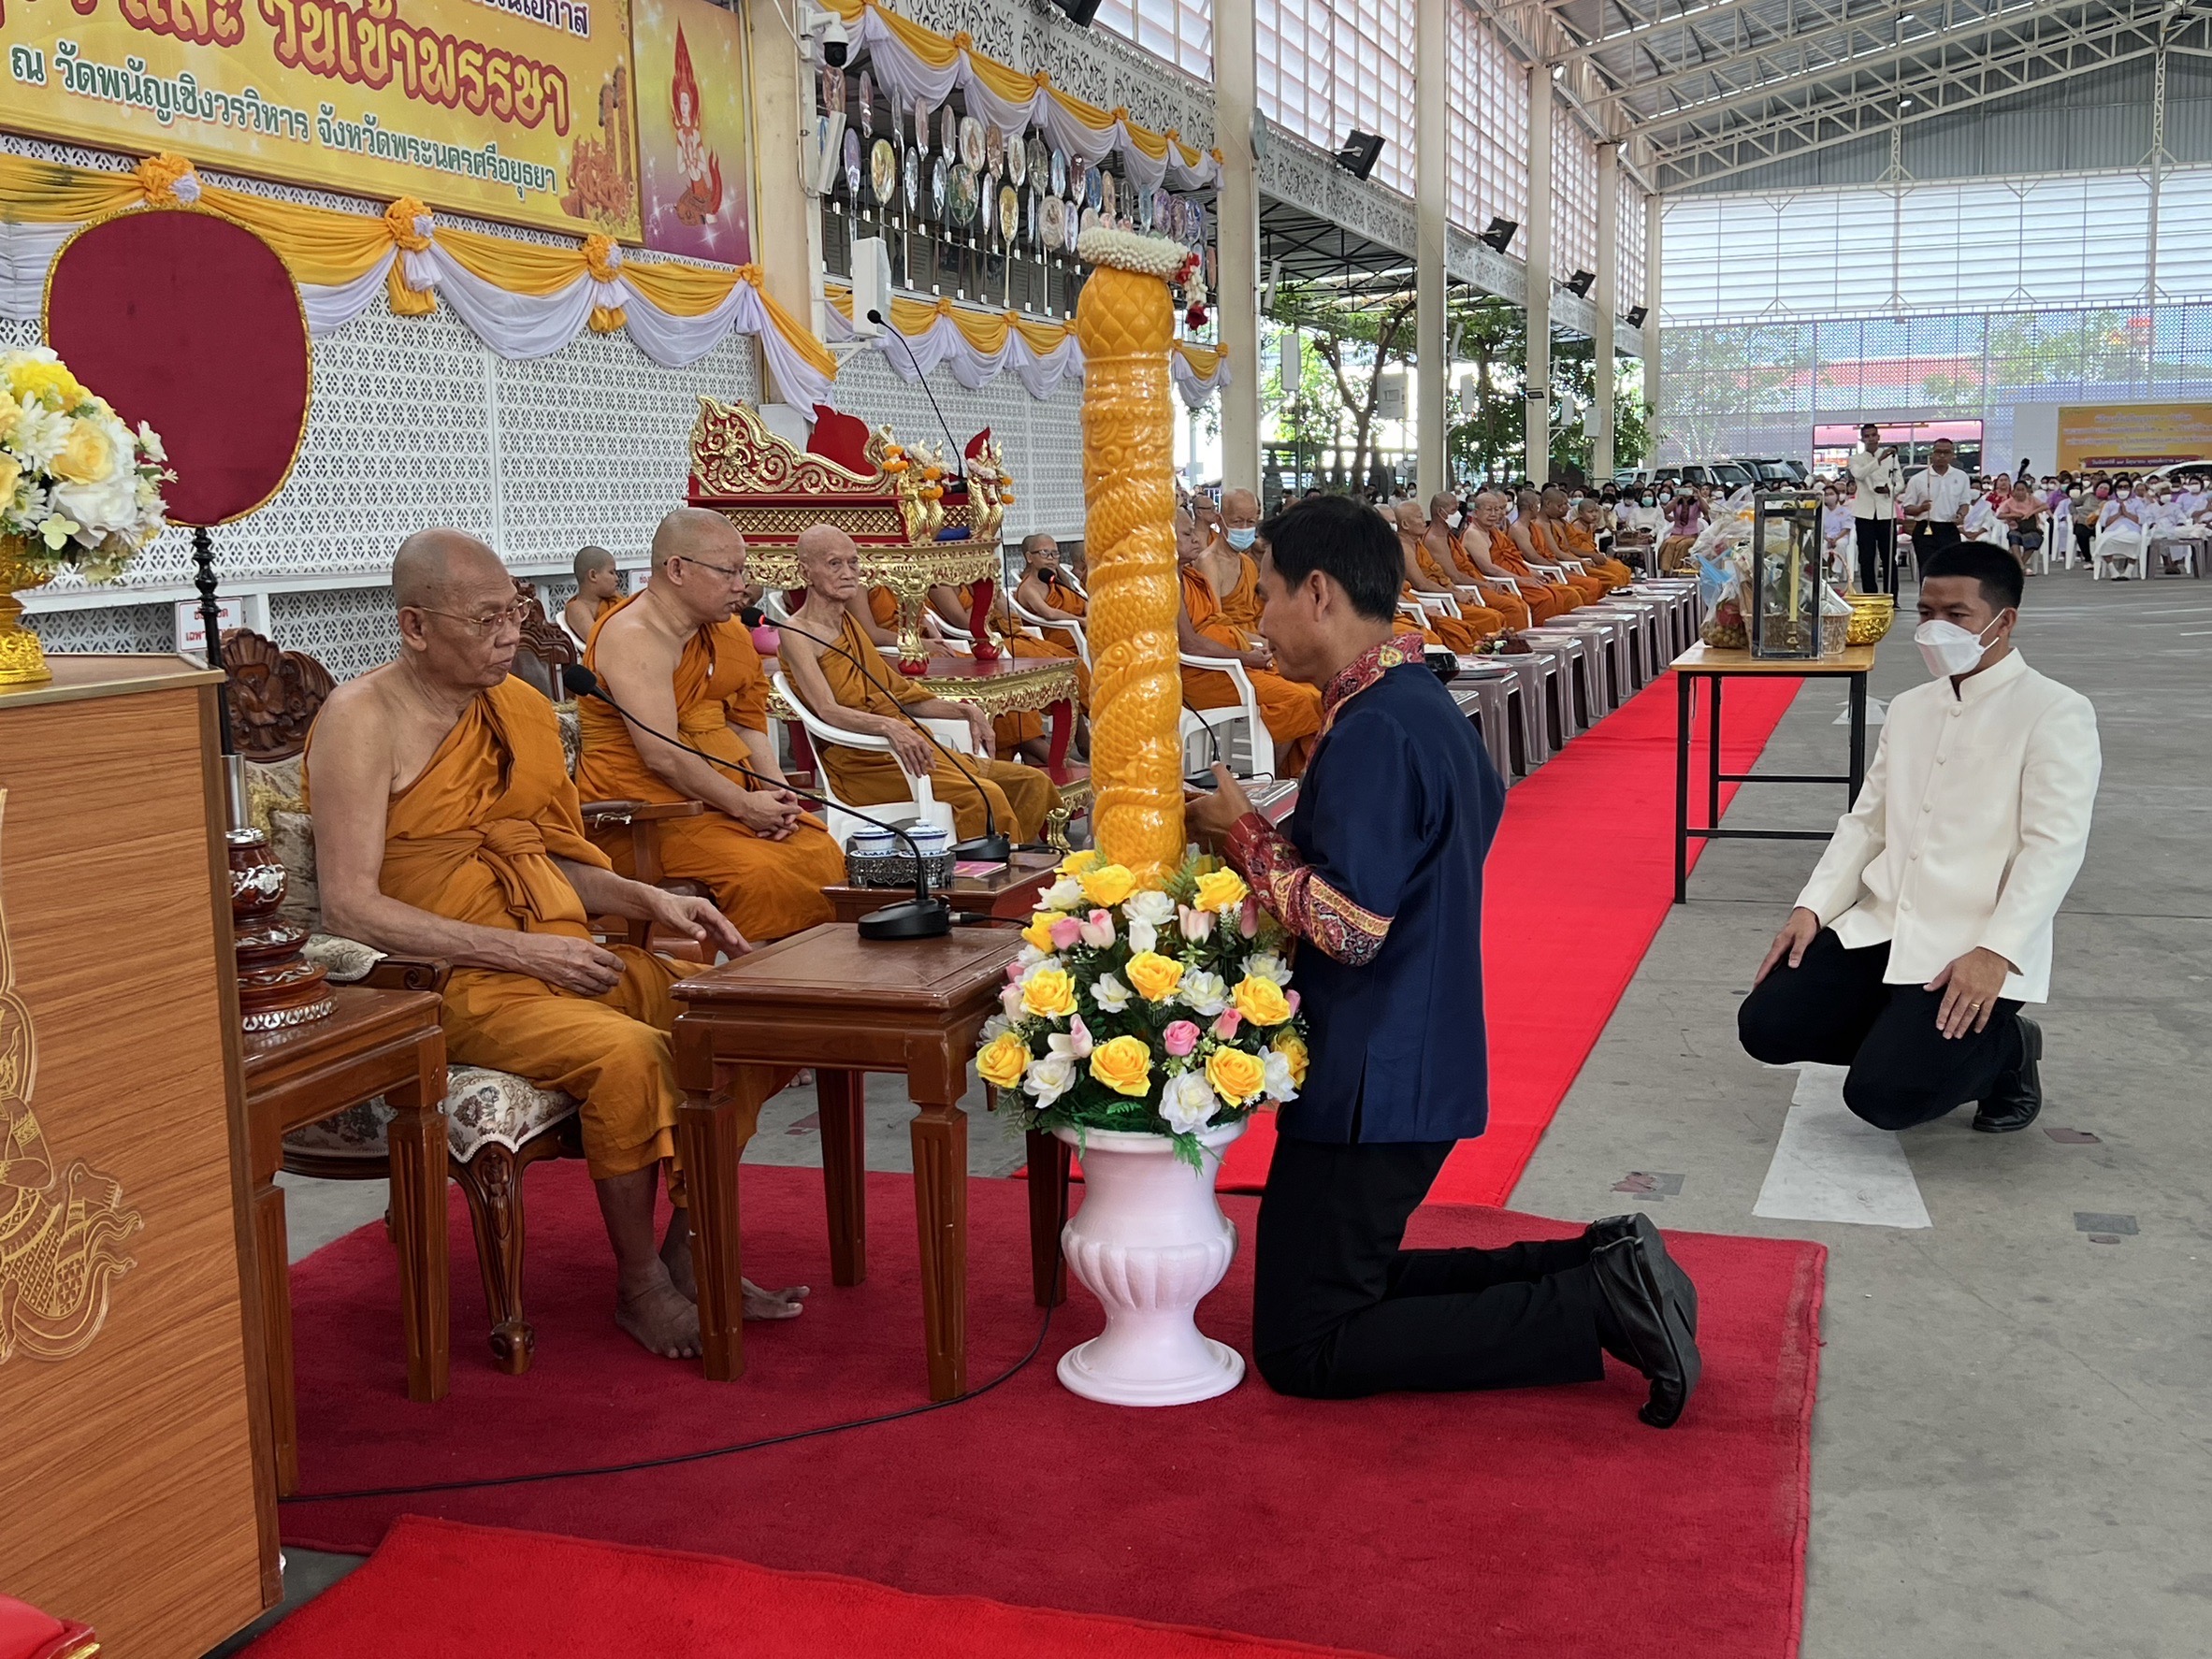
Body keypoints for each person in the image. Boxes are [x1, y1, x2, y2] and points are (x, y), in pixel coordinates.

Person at [1185, 495, 1700, 1426]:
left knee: (1307, 1344)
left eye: (1260, 596)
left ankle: (1593, 1302)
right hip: (1409, 1053)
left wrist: (1245, 836)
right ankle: (1597, 1261)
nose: (1254, 620)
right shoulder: (1421, 704)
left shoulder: (1376, 727)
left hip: (1372, 1076)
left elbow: (1350, 926)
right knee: (1348, 1280)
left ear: (1318, 593)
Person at [305, 529, 808, 1360]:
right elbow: (353, 909)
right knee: (635, 1057)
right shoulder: (363, 719)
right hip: (452, 980)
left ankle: (687, 1248)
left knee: (751, 1020)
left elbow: (553, 861)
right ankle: (642, 1285)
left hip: (562, 950)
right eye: (485, 619)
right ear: (415, 627)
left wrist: (650, 897)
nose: (510, 634)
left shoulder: (526, 709)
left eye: (515, 612)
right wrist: (523, 956)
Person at [1738, 543, 2099, 1135]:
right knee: (1767, 1027)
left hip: (1971, 944)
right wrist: (1814, 906)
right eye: (1926, 612)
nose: (1935, 628)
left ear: (2003, 622)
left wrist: (1997, 951)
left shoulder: (2054, 712)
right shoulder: (1909, 708)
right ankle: (1909, 1033)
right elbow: (1867, 821)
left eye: (1956, 615)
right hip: (1884, 924)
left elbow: (2054, 847)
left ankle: (2008, 1052)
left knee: (1885, 1100)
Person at [575, 509, 844, 944]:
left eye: (743, 571)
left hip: (721, 802)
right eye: (728, 572)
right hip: (649, 817)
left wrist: (776, 793)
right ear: (677, 569)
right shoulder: (633, 636)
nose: (741, 586)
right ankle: (758, 993)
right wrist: (742, 804)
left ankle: (820, 989)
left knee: (819, 848)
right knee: (764, 871)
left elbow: (746, 724)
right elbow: (661, 754)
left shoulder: (727, 633)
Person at [777, 524, 1057, 842]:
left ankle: (1017, 863)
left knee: (1033, 782)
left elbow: (899, 696)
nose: (848, 573)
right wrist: (888, 727)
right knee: (984, 795)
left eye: (853, 562)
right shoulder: (797, 632)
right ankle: (984, 880)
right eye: (834, 563)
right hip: (862, 762)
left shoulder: (849, 624)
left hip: (915, 750)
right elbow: (828, 710)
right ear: (805, 570)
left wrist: (965, 712)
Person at [1176, 504, 1323, 776]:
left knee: (1312, 690)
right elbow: (1190, 645)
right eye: (1186, 534)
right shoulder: (1169, 583)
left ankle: (1301, 776)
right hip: (1205, 672)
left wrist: (1256, 646)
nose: (1197, 537)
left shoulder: (1190, 576)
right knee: (1298, 700)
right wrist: (1246, 658)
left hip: (1232, 656)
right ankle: (1271, 776)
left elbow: (1219, 622)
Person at [1389, 499, 1499, 652]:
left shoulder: (1417, 543)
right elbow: (1422, 584)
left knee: (1493, 615)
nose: (1423, 521)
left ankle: (1495, 654)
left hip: (1437, 596)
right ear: (1405, 525)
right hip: (1428, 600)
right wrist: (1453, 594)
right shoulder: (1403, 548)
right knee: (1479, 622)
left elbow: (1439, 575)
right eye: (1419, 517)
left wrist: (1457, 592)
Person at [1899, 438, 1974, 574]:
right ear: (1932, 454)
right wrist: (1921, 508)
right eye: (1938, 452)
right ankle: (1926, 595)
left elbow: (1964, 503)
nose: (1942, 456)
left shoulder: (1961, 476)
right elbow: (1907, 508)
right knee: (1928, 570)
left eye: (1946, 452)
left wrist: (1961, 515)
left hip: (1949, 529)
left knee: (1950, 571)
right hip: (1925, 529)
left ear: (1953, 455)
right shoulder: (1918, 479)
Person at [1848, 424, 1906, 595]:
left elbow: (1900, 481)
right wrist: (1879, 460)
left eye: (1874, 435)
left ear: (1878, 437)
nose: (1871, 439)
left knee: (1889, 557)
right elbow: (1859, 474)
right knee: (1866, 557)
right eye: (1867, 436)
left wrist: (1890, 488)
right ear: (1862, 439)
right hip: (1864, 513)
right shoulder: (1856, 459)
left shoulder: (1891, 457)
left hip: (1886, 511)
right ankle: (1870, 595)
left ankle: (1892, 596)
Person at [562, 545, 622, 652]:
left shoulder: (615, 600)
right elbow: (597, 641)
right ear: (593, 575)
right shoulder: (577, 607)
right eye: (611, 572)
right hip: (608, 661)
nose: (617, 578)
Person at [1996, 480, 2045, 571]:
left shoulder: (2032, 499)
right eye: (2018, 490)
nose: (2020, 492)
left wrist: (2031, 513)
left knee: (2034, 538)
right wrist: (2013, 515)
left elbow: (2045, 506)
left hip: (2030, 528)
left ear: (2026, 490)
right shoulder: (2009, 502)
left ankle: (2019, 566)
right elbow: (1999, 515)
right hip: (2016, 528)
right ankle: (2021, 566)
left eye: (2022, 490)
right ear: (2014, 491)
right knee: (2013, 536)